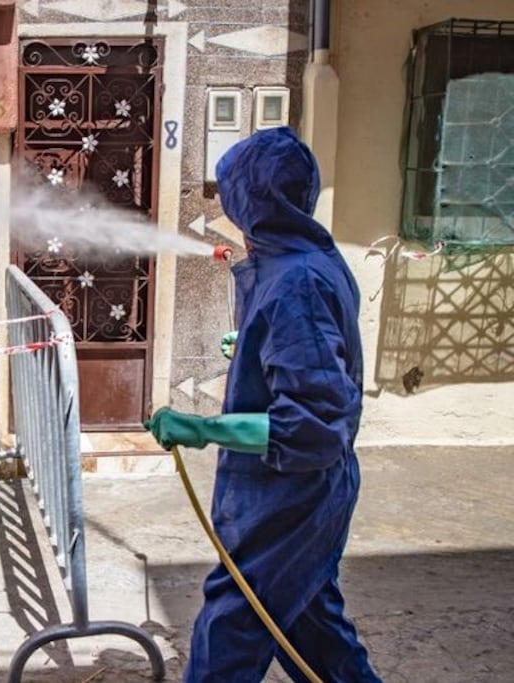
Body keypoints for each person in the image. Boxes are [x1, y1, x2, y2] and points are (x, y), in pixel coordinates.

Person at [145, 127, 382, 682]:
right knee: (311, 629)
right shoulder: (307, 257)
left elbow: (313, 426)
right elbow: (310, 353)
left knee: (231, 628)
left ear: (253, 198)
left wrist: (201, 428)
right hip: (302, 492)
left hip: (291, 496)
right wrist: (252, 345)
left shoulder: (297, 278)